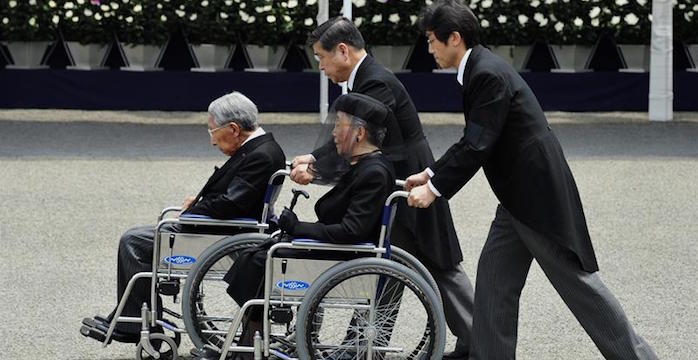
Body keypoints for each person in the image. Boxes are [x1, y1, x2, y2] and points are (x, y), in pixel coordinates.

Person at [406, 1, 657, 359]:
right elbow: (473, 139)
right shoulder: (481, 68)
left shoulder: (485, 74)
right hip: (518, 197)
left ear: (455, 39)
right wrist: (431, 174)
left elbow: (477, 144)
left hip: (535, 198)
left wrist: (433, 190)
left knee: (579, 287)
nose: (429, 49)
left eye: (432, 40)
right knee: (495, 281)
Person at [293, 17, 474, 358]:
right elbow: (349, 136)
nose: (320, 66)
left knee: (436, 264)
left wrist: (315, 166)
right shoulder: (368, 78)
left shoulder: (375, 82)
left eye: (321, 57)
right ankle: (361, 346)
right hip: (394, 182)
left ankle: (483, 341)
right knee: (386, 265)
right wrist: (314, 158)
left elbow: (355, 136)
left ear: (343, 51)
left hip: (408, 181)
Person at [79, 91, 286, 344]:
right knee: (140, 238)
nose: (211, 141)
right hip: (225, 228)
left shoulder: (260, 155)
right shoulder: (260, 148)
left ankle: (135, 323)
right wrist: (198, 203)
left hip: (224, 234)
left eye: (212, 132)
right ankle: (134, 318)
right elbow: (234, 199)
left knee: (133, 241)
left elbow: (230, 204)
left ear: (233, 129)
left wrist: (192, 211)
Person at [216, 93, 395, 360]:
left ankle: (250, 342)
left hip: (346, 256)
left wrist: (299, 228)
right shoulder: (363, 166)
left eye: (339, 125)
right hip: (340, 251)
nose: (333, 132)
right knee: (259, 252)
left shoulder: (373, 173)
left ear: (359, 133)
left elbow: (351, 231)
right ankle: (252, 339)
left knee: (262, 259)